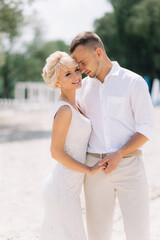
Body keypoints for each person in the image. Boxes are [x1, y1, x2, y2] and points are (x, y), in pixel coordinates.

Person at [70, 32, 155, 240]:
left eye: (83, 61)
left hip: (130, 165)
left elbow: (147, 128)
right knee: (97, 235)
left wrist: (119, 153)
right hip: (94, 169)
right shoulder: (81, 90)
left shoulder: (133, 82)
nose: (80, 69)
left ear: (98, 52)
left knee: (138, 233)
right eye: (77, 64)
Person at [39, 51, 105, 240]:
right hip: (62, 189)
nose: (77, 76)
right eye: (68, 74)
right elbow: (55, 152)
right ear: (57, 82)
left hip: (70, 189)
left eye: (76, 70)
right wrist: (89, 170)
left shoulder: (76, 105)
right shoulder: (65, 110)